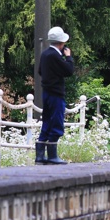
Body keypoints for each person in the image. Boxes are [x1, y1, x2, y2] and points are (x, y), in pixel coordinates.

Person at [36, 26, 75, 165]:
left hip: (46, 92)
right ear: (61, 42)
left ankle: (40, 156)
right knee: (57, 121)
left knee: (46, 121)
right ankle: (52, 155)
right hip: (56, 93)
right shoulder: (54, 55)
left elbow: (40, 70)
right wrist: (68, 57)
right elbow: (69, 70)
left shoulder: (45, 54)